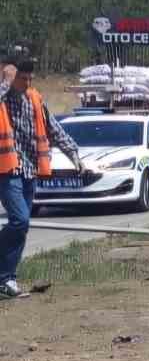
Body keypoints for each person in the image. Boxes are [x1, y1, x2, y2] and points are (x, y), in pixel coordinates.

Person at [1, 58, 91, 300]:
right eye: (22, 78)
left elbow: (53, 128)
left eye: (31, 79)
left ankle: (7, 278)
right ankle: (5, 276)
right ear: (11, 75)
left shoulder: (34, 98)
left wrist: (74, 155)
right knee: (19, 220)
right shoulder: (4, 95)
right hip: (7, 170)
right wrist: (5, 84)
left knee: (22, 226)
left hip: (30, 171)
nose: (27, 83)